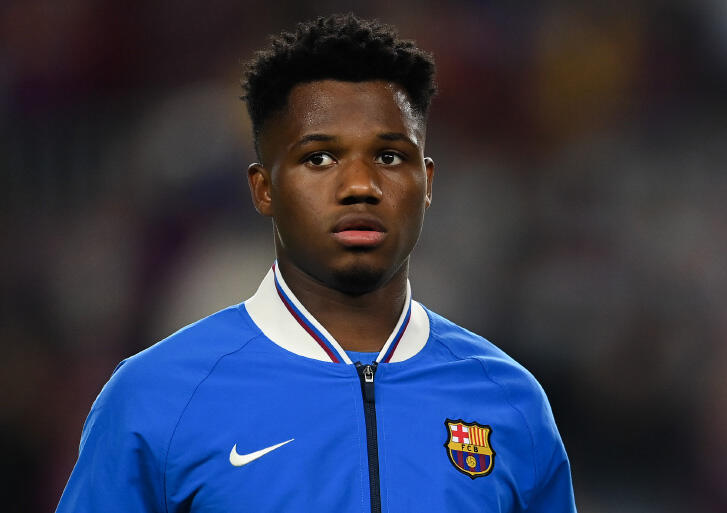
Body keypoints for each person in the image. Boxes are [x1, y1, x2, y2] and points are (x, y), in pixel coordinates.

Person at [56, 13, 576, 512]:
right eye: (319, 158)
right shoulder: (156, 397)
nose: (360, 186)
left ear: (427, 183)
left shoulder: (509, 402)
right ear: (264, 188)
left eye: (390, 157)